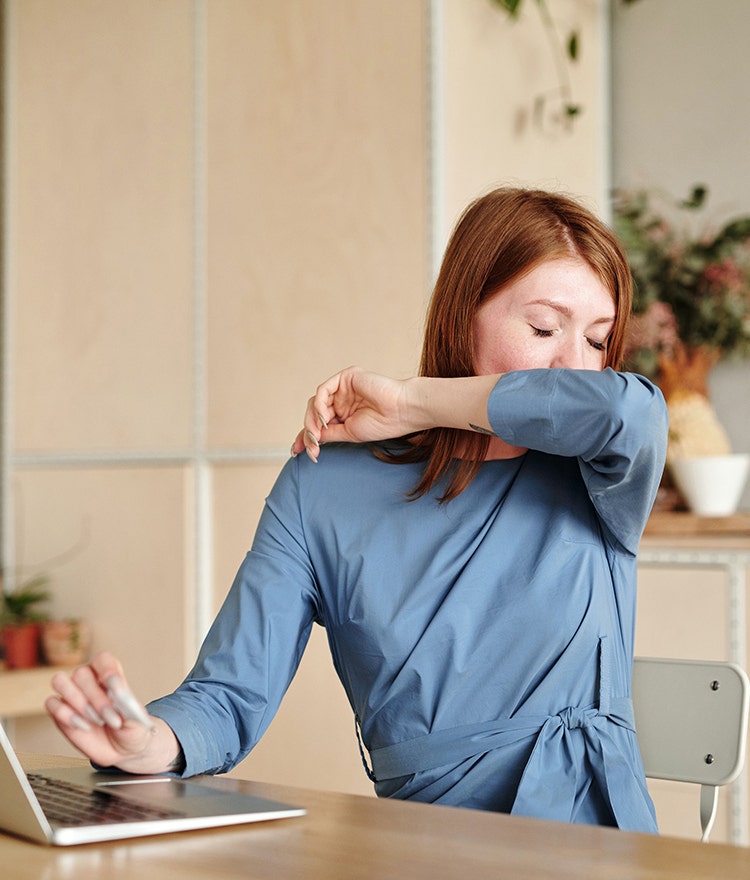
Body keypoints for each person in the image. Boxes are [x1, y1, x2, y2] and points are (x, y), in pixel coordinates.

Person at [45, 186, 668, 831]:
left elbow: (628, 408)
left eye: (598, 342)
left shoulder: (601, 476)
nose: (574, 368)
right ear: (464, 316)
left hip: (591, 845)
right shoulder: (321, 487)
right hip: (421, 848)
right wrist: (151, 746)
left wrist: (415, 402)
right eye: (543, 328)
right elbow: (229, 696)